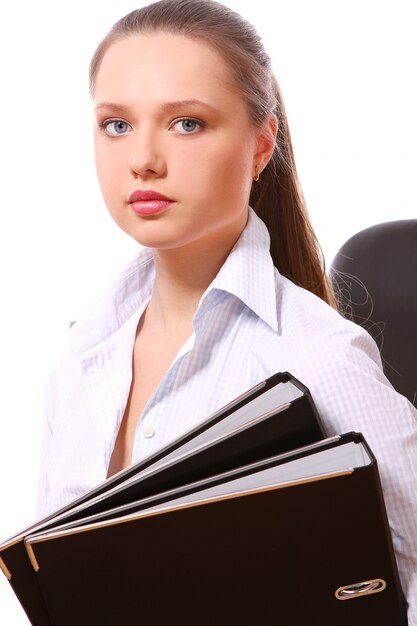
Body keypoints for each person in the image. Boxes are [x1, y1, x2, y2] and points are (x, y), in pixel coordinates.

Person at [36, 0, 417, 622]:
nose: (143, 159)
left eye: (186, 123)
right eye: (116, 124)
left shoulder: (316, 354)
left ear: (262, 144)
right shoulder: (81, 360)